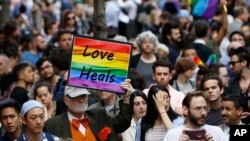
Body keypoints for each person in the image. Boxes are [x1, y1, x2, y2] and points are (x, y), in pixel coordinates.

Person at [44, 81, 133, 140]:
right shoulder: (52, 125)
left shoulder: (98, 115)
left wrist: (126, 98)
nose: (81, 100)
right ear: (66, 100)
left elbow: (122, 123)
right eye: (76, 97)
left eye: (83, 96)